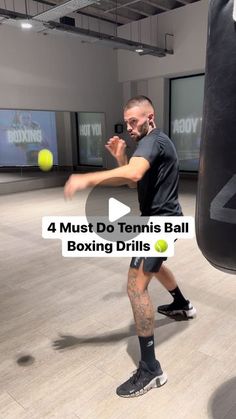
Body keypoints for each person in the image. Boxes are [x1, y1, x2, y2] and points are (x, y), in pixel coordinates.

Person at [64, 95, 196, 398]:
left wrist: (87, 178)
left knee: (136, 287)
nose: (129, 127)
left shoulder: (154, 141)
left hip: (160, 224)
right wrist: (121, 161)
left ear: (150, 117)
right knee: (155, 265)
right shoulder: (150, 144)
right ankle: (182, 305)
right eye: (126, 123)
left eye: (133, 121)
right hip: (161, 222)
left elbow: (134, 175)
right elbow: (135, 181)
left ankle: (151, 370)